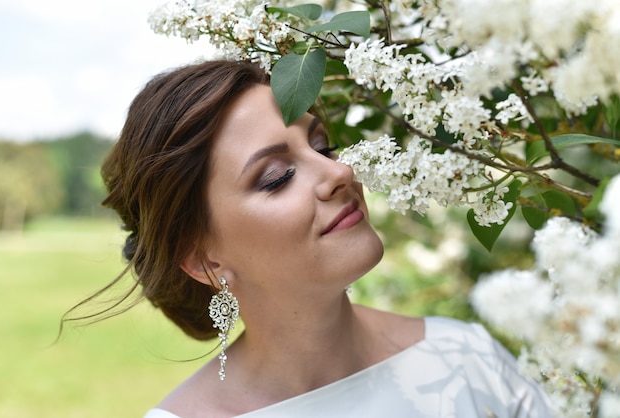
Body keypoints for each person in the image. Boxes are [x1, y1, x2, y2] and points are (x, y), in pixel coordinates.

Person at [75, 60, 554, 417]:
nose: (340, 171)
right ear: (203, 260)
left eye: (322, 145)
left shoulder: (467, 359)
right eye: (278, 176)